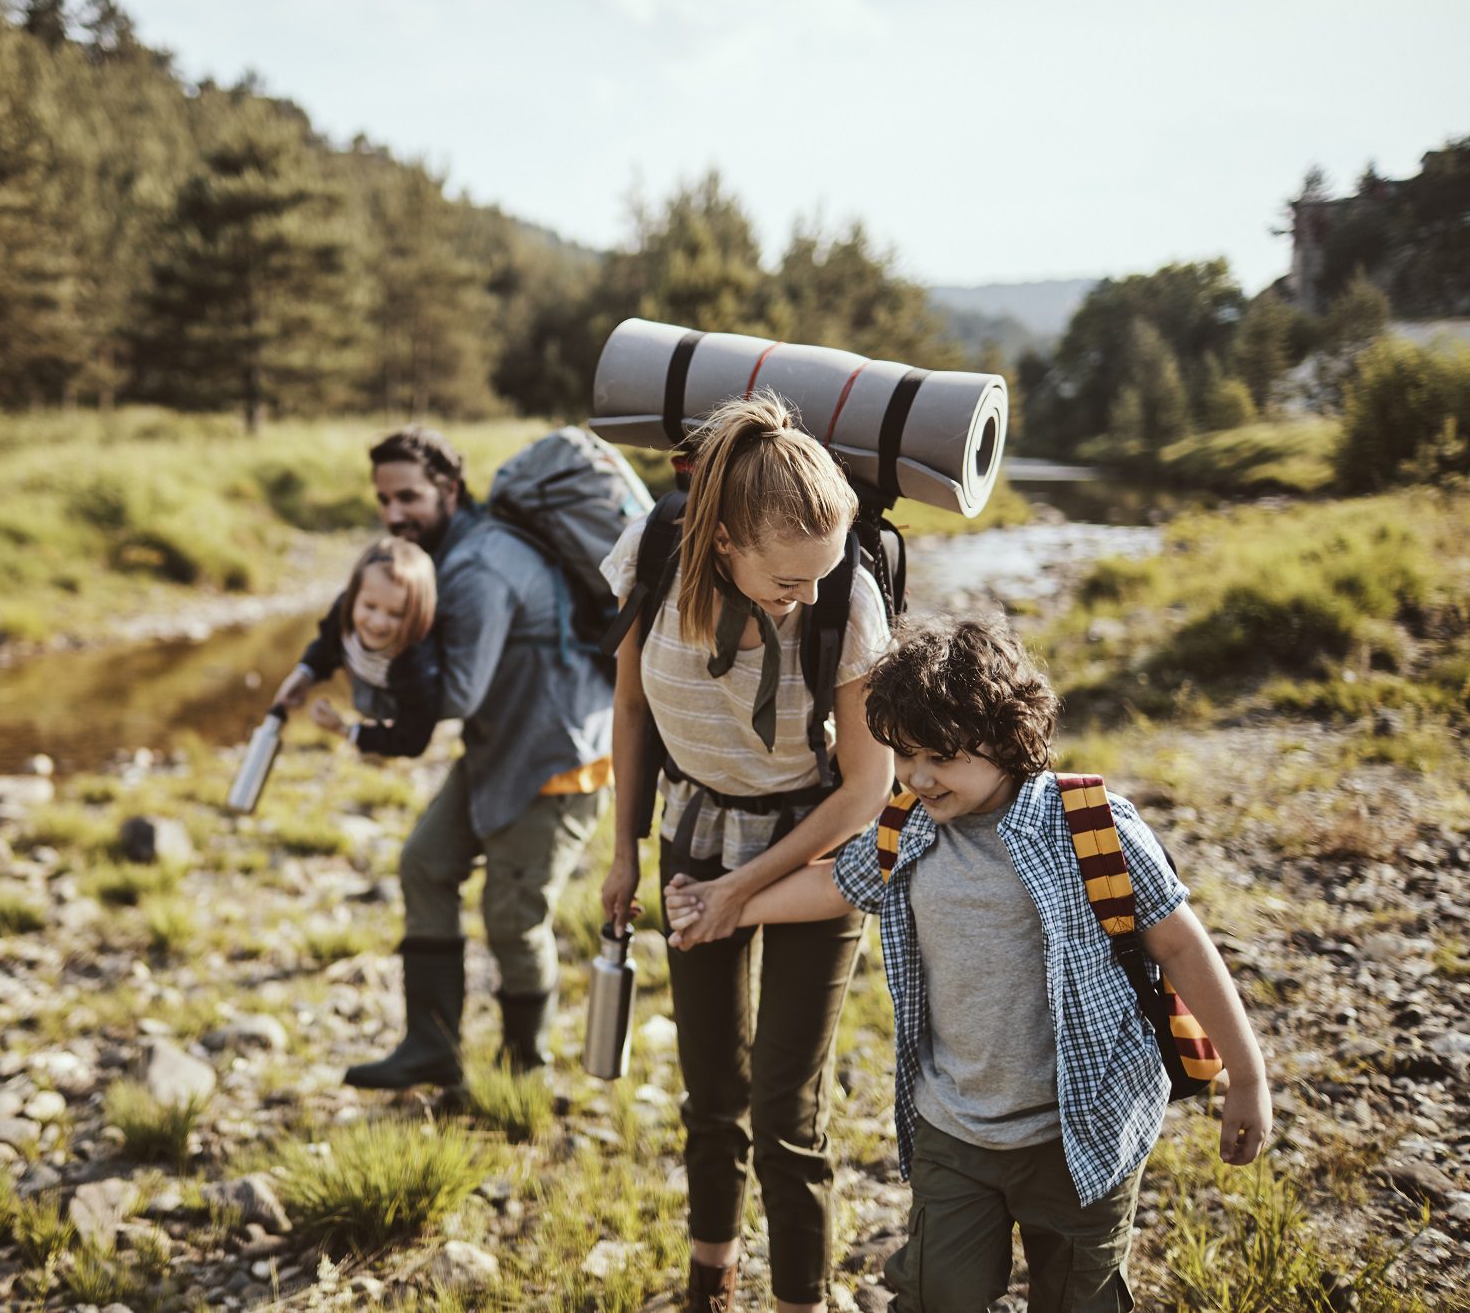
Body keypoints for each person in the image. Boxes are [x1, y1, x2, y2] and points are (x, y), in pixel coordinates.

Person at [666, 616, 1272, 1313]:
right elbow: (838, 882)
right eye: (903, 753)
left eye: (941, 756)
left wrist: (1247, 1074)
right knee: (937, 1292)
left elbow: (1181, 945)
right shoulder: (907, 826)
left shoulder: (1091, 826)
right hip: (956, 1129)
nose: (918, 775)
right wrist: (732, 906)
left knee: (1079, 1294)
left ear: (1008, 737)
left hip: (1084, 1128)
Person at [598, 391, 896, 1313]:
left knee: (784, 1112)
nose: (807, 598)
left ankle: (800, 1300)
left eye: (822, 577)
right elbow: (633, 709)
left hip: (815, 853)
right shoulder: (656, 553)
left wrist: (743, 891)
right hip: (695, 835)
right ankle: (710, 1282)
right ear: (722, 539)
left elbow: (865, 788)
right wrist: (624, 852)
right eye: (788, 581)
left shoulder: (846, 599)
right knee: (711, 1094)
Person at [275, 426, 614, 1085]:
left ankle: (524, 1070)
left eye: (408, 496)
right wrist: (316, 662)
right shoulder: (445, 553)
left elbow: (454, 694)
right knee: (425, 863)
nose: (394, 513)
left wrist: (367, 681)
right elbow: (370, 604)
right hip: (502, 751)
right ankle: (430, 1047)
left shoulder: (477, 568)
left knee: (513, 920)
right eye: (383, 499)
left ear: (449, 490)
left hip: (557, 759)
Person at [285, 536, 442, 757]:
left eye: (396, 614)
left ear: (417, 617)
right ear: (353, 596)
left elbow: (412, 742)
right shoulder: (343, 611)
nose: (378, 622)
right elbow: (326, 645)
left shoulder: (417, 667)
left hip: (398, 690)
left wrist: (345, 730)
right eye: (370, 606)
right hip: (365, 670)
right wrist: (304, 674)